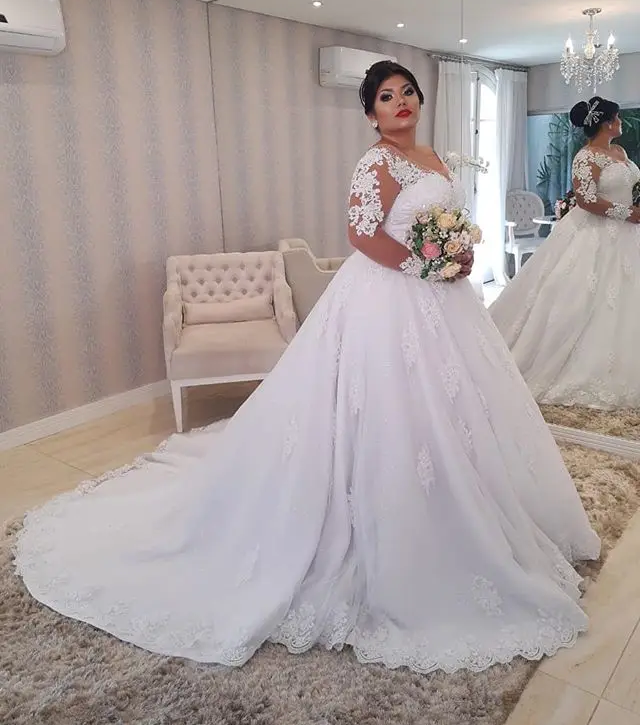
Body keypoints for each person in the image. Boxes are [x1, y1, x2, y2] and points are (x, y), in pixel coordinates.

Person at [14, 62, 599, 676]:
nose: (400, 102)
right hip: (389, 296)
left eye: (407, 92)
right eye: (386, 97)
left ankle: (467, 508)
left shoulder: (432, 157)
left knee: (456, 408)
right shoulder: (374, 164)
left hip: (445, 299)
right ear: (370, 113)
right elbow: (363, 237)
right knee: (389, 408)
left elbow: (448, 224)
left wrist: (460, 253)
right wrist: (427, 264)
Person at [490, 96, 640, 409]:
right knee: (581, 297)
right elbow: (586, 200)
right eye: (616, 118)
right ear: (605, 123)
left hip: (628, 233)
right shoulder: (586, 157)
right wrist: (626, 212)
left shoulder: (620, 152)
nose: (620, 122)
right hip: (596, 233)